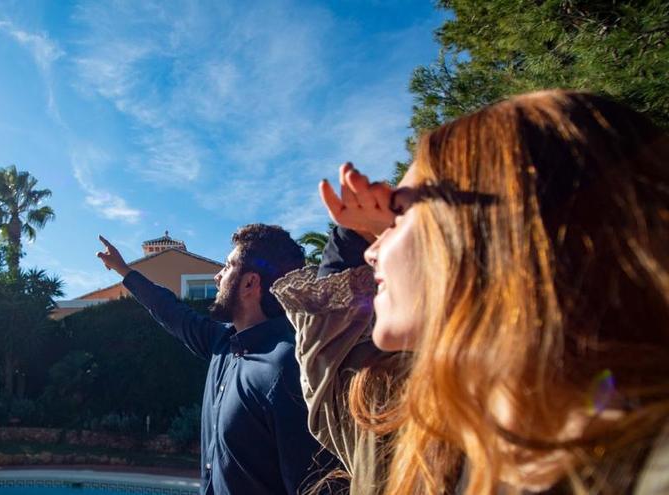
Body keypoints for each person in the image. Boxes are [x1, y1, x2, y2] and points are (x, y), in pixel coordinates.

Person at [272, 90, 669, 494]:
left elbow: (330, 363)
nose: (373, 250)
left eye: (399, 216)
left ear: (494, 233)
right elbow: (334, 374)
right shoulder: (431, 437)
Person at [96, 224, 339, 494]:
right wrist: (124, 271)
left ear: (250, 283)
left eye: (227, 266)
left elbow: (315, 486)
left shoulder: (287, 367)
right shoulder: (221, 343)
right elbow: (171, 311)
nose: (217, 276)